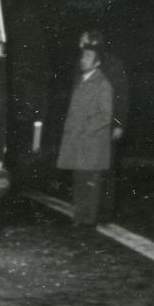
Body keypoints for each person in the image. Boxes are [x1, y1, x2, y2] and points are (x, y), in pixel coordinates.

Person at [58, 44, 116, 227]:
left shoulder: (103, 84)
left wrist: (85, 130)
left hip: (91, 143)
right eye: (82, 57)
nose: (83, 60)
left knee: (90, 182)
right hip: (78, 141)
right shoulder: (81, 81)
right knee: (79, 180)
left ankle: (88, 220)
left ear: (97, 63)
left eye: (88, 57)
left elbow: (105, 116)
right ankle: (78, 217)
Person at [79, 27, 129, 217]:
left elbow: (121, 96)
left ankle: (105, 211)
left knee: (106, 169)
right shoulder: (83, 62)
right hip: (88, 125)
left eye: (83, 41)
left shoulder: (112, 65)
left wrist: (118, 124)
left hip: (106, 124)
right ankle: (89, 210)